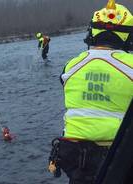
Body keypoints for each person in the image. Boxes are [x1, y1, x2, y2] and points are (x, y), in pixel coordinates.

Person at [48, 0, 133, 183]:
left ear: (92, 31)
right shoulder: (130, 65)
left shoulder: (71, 66)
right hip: (118, 157)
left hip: (74, 158)